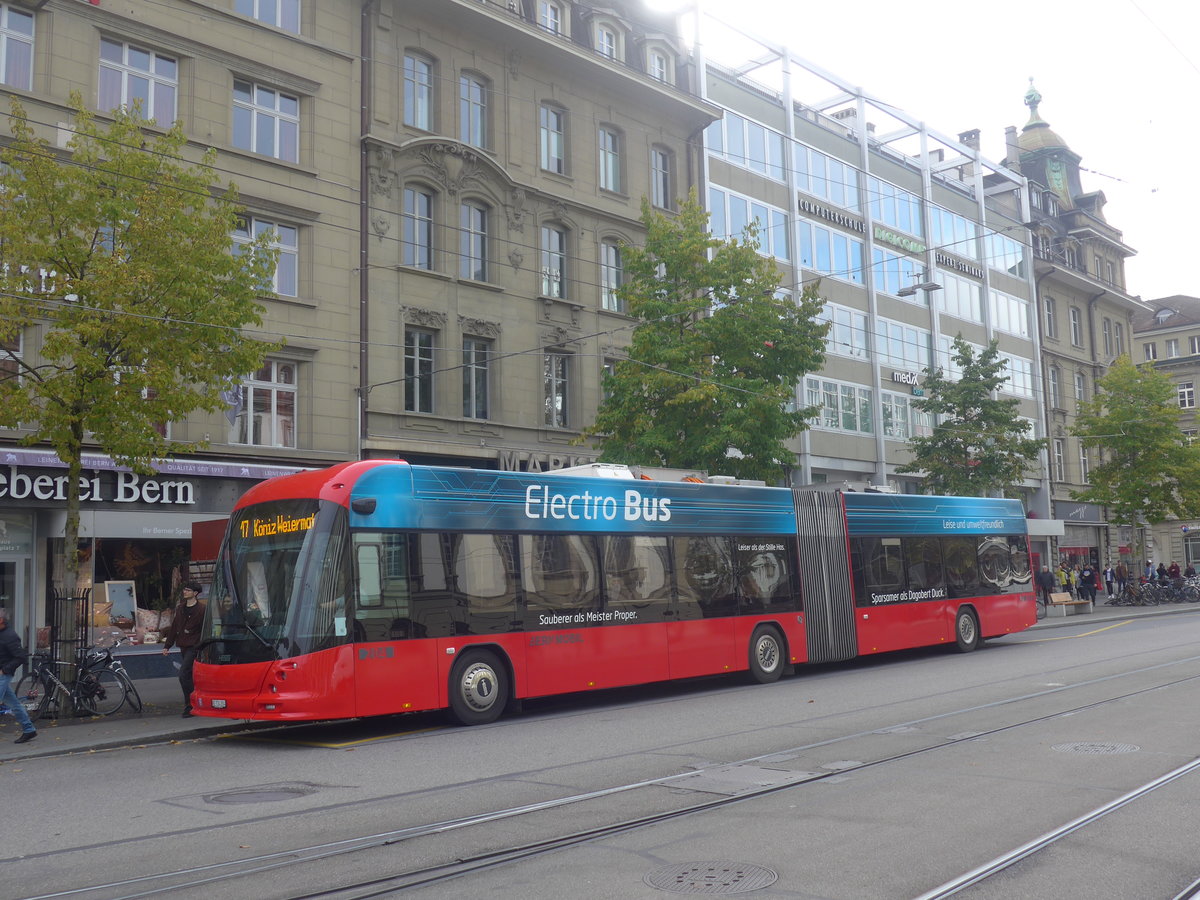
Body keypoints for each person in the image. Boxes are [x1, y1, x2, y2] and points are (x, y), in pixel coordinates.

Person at [162, 581, 206, 718]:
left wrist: (203, 644)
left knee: (183, 674)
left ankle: (190, 706)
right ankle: (197, 702)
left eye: (188, 590)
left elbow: (205, 628)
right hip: (183, 645)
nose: (185, 592)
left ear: (195, 593)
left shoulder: (202, 609)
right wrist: (167, 645)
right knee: (190, 676)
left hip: (195, 646)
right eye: (185, 589)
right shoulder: (181, 608)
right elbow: (174, 627)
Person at [0, 607, 37, 744]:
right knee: (15, 704)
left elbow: (20, 657)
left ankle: (29, 729)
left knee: (13, 704)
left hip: (3, 674)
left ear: (1, 620)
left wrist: (4, 670)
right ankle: (29, 729)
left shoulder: (10, 636)